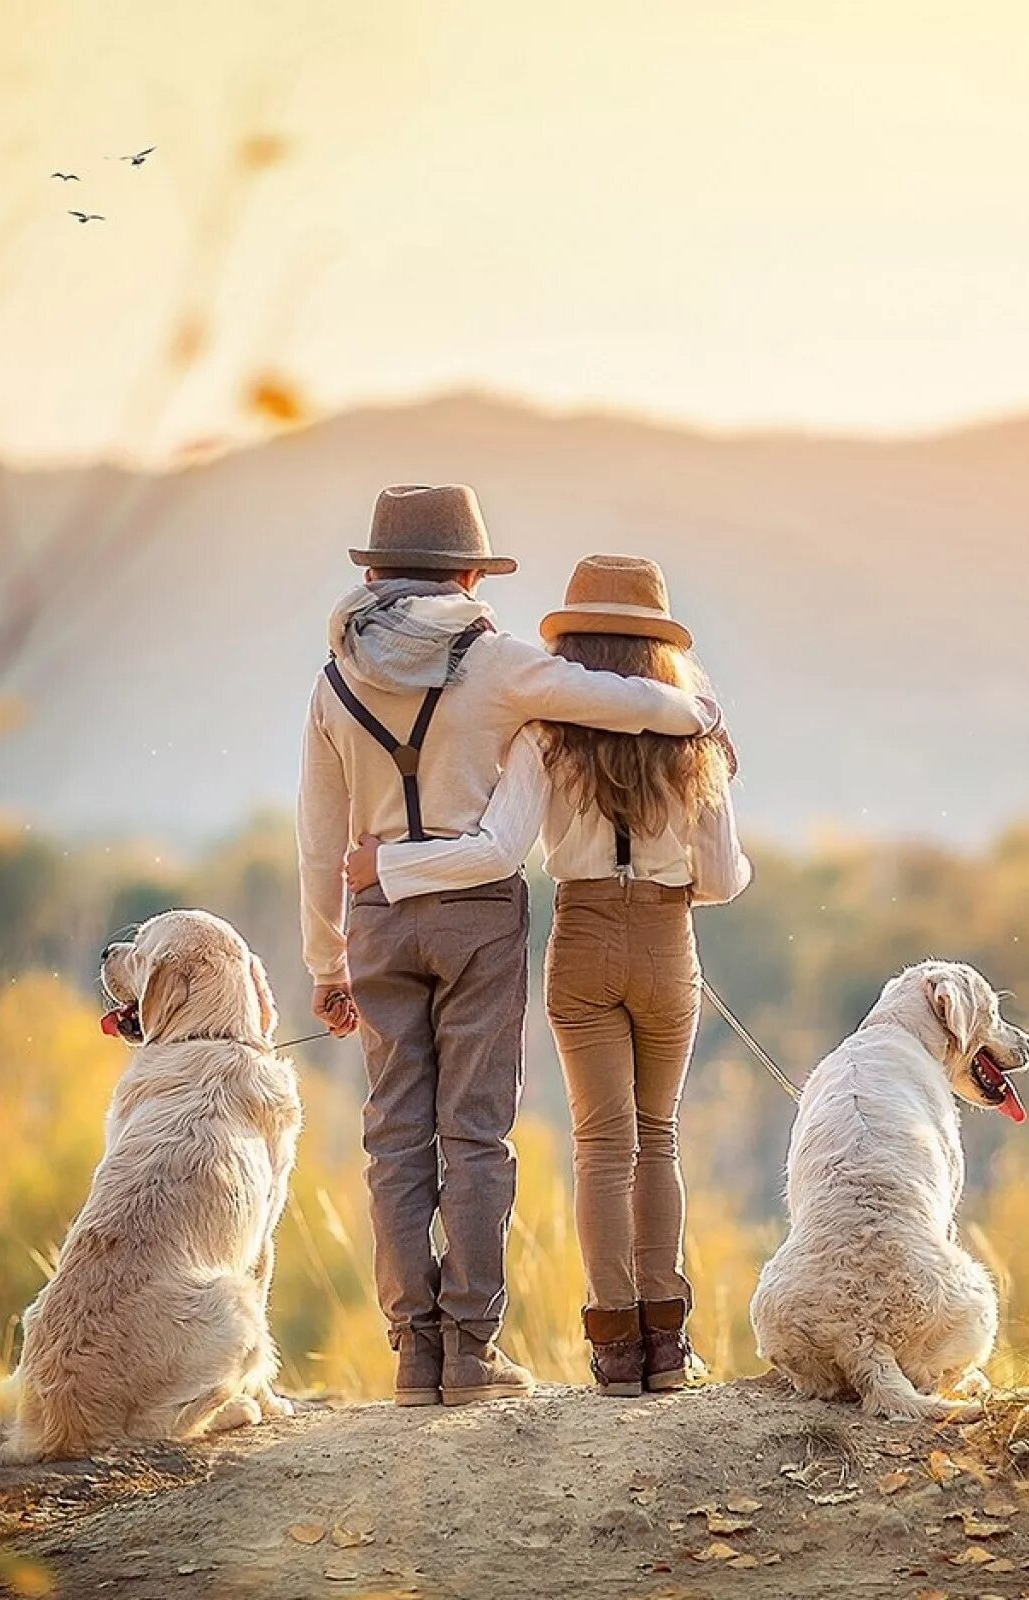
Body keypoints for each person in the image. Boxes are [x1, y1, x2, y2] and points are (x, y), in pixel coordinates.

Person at [298, 488, 720, 1407]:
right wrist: (700, 707)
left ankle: (414, 1354)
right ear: (468, 574)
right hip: (480, 916)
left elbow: (319, 838)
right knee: (478, 1134)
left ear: (373, 574)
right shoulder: (503, 668)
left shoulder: (333, 680)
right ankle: (473, 1351)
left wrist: (328, 964)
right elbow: (643, 707)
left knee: (394, 1136)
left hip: (375, 919)